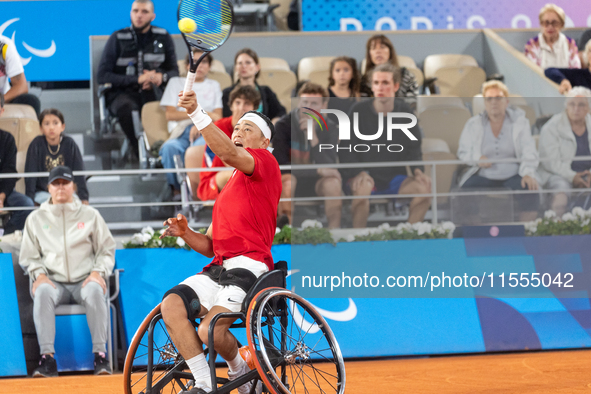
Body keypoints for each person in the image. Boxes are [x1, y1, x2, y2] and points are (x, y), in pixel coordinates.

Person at [159, 87, 281, 394]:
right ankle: (203, 381)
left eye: (247, 128)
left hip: (250, 267)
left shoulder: (265, 162)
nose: (238, 131)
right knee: (171, 305)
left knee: (209, 330)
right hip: (219, 268)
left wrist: (196, 112)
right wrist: (186, 233)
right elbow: (210, 247)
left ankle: (240, 369)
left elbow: (226, 152)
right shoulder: (226, 192)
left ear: (265, 141)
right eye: (236, 127)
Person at [19, 166, 116, 377]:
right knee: (42, 292)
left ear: (73, 186)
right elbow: (28, 256)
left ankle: (100, 357)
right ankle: (47, 359)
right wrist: (40, 274)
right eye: (56, 183)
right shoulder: (36, 219)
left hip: (85, 280)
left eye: (65, 183)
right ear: (49, 188)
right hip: (54, 282)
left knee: (95, 290)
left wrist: (98, 271)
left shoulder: (91, 215)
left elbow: (106, 250)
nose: (61, 187)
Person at [339, 63, 431, 228]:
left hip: (394, 178)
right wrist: (358, 172)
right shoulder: (357, 111)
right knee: (363, 188)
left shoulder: (406, 113)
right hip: (363, 175)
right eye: (376, 83)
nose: (380, 87)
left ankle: (408, 236)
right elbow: (346, 149)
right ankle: (358, 239)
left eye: (385, 83)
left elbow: (414, 149)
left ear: (395, 86)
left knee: (424, 189)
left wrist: (418, 171)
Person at [97, 0, 178, 157]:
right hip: (122, 93)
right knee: (127, 109)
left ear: (153, 16)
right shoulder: (117, 37)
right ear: (130, 13)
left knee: (162, 109)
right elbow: (102, 75)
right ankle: (140, 152)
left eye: (144, 12)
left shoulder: (163, 36)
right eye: (135, 11)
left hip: (155, 91)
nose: (139, 15)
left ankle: (162, 151)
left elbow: (174, 72)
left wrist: (161, 77)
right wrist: (137, 79)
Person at [457, 81, 539, 221]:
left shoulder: (520, 122)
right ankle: (477, 236)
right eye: (489, 99)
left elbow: (529, 150)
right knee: (465, 192)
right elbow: (463, 152)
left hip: (513, 174)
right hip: (484, 174)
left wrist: (527, 173)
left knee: (530, 189)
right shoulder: (473, 124)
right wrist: (478, 159)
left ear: (506, 102)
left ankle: (525, 233)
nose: (493, 102)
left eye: (498, 98)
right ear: (484, 103)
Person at [273, 82, 341, 228]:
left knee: (333, 184)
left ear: (324, 106)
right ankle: (286, 234)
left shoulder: (331, 128)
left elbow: (329, 165)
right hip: (292, 178)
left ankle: (334, 235)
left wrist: (313, 138)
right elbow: (280, 167)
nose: (308, 108)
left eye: (314, 103)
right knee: (288, 182)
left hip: (316, 183)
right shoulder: (282, 126)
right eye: (305, 102)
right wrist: (318, 170)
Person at [159, 49, 223, 198]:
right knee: (169, 148)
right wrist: (201, 115)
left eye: (203, 62)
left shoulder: (214, 85)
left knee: (198, 150)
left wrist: (200, 123)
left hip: (205, 129)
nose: (199, 66)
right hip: (181, 132)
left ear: (209, 66)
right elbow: (170, 114)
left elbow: (218, 116)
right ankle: (177, 192)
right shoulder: (175, 83)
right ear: (188, 65)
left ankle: (198, 194)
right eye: (195, 62)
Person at [192, 85, 260, 201]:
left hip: (242, 174)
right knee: (239, 175)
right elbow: (233, 161)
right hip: (212, 181)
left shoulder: (256, 130)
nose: (241, 108)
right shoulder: (219, 126)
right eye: (237, 103)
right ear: (231, 106)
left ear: (254, 108)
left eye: (247, 104)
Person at [538, 87, 591, 216]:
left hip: (587, 174)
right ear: (566, 105)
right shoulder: (551, 128)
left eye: (581, 105)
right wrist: (573, 177)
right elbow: (551, 163)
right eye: (572, 104)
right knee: (561, 195)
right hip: (558, 174)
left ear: (588, 108)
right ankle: (558, 230)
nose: (576, 109)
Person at [25, 109, 88, 205]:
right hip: (42, 193)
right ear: (41, 128)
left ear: (63, 126)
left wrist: (84, 197)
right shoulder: (36, 144)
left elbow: (79, 171)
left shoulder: (69, 144)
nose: (51, 128)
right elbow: (30, 175)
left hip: (66, 192)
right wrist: (29, 200)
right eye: (46, 124)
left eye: (55, 123)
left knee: (74, 204)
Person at [221, 48, 286, 122]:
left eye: (248, 62)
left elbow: (280, 112)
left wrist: (274, 123)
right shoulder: (227, 93)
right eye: (239, 63)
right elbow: (224, 117)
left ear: (257, 67)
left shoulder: (266, 91)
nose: (244, 66)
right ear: (236, 68)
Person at [0, 92, 34, 234]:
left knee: (26, 205)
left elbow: (10, 172)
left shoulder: (7, 139)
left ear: (1, 111)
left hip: (3, 191)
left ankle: (4, 235)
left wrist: (1, 197)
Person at [524, 3, 581, 70]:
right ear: (541, 24)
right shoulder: (532, 44)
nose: (550, 27)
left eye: (554, 23)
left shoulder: (570, 43)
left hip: (566, 80)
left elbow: (576, 70)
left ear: (562, 24)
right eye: (546, 22)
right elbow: (529, 71)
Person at [0, 35, 41, 115]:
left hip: (3, 101)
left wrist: (1, 100)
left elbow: (21, 86)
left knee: (31, 101)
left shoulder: (4, 45)